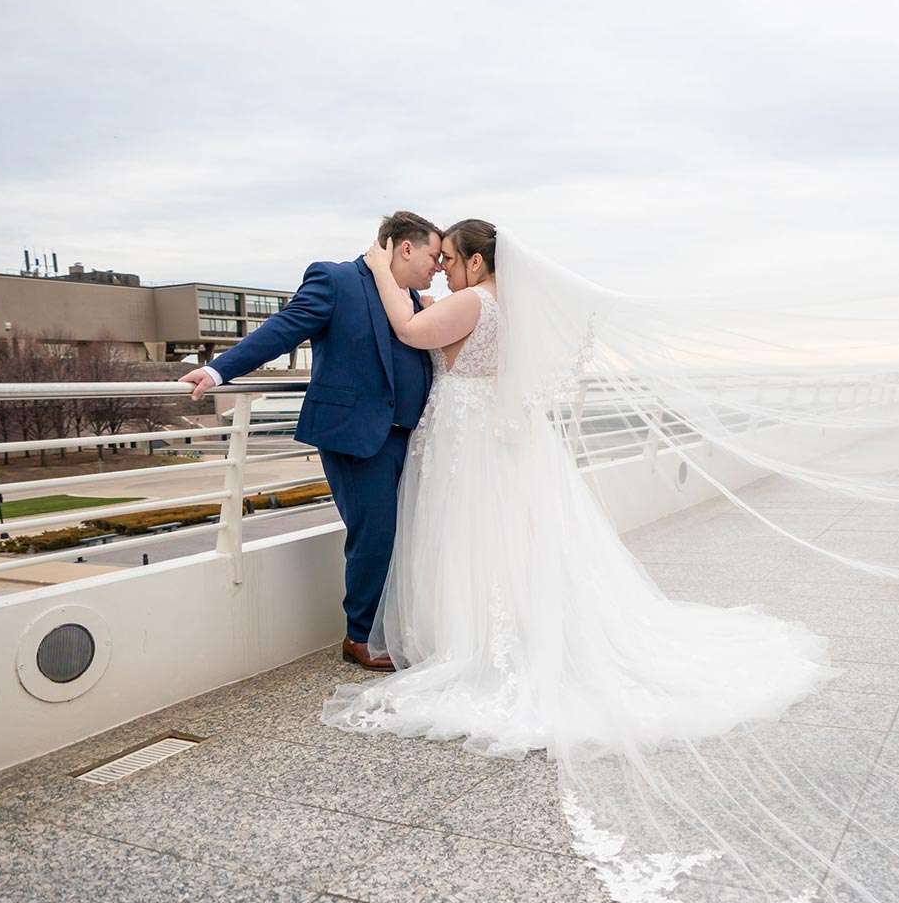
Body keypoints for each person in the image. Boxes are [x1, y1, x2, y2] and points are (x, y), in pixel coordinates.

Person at [320, 218, 834, 757]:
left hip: (466, 435)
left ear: (477, 262)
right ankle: (493, 630)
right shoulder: (507, 305)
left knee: (470, 534)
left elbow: (408, 329)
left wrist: (380, 268)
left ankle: (472, 640)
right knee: (498, 536)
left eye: (450, 258)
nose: (443, 269)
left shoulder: (474, 303)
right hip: (487, 433)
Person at [180, 212, 440, 671]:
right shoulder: (336, 279)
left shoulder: (414, 297)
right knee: (375, 534)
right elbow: (283, 330)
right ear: (405, 248)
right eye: (433, 256)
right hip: (357, 436)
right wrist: (220, 369)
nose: (437, 266)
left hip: (408, 437)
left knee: (408, 535)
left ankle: (392, 628)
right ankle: (359, 637)